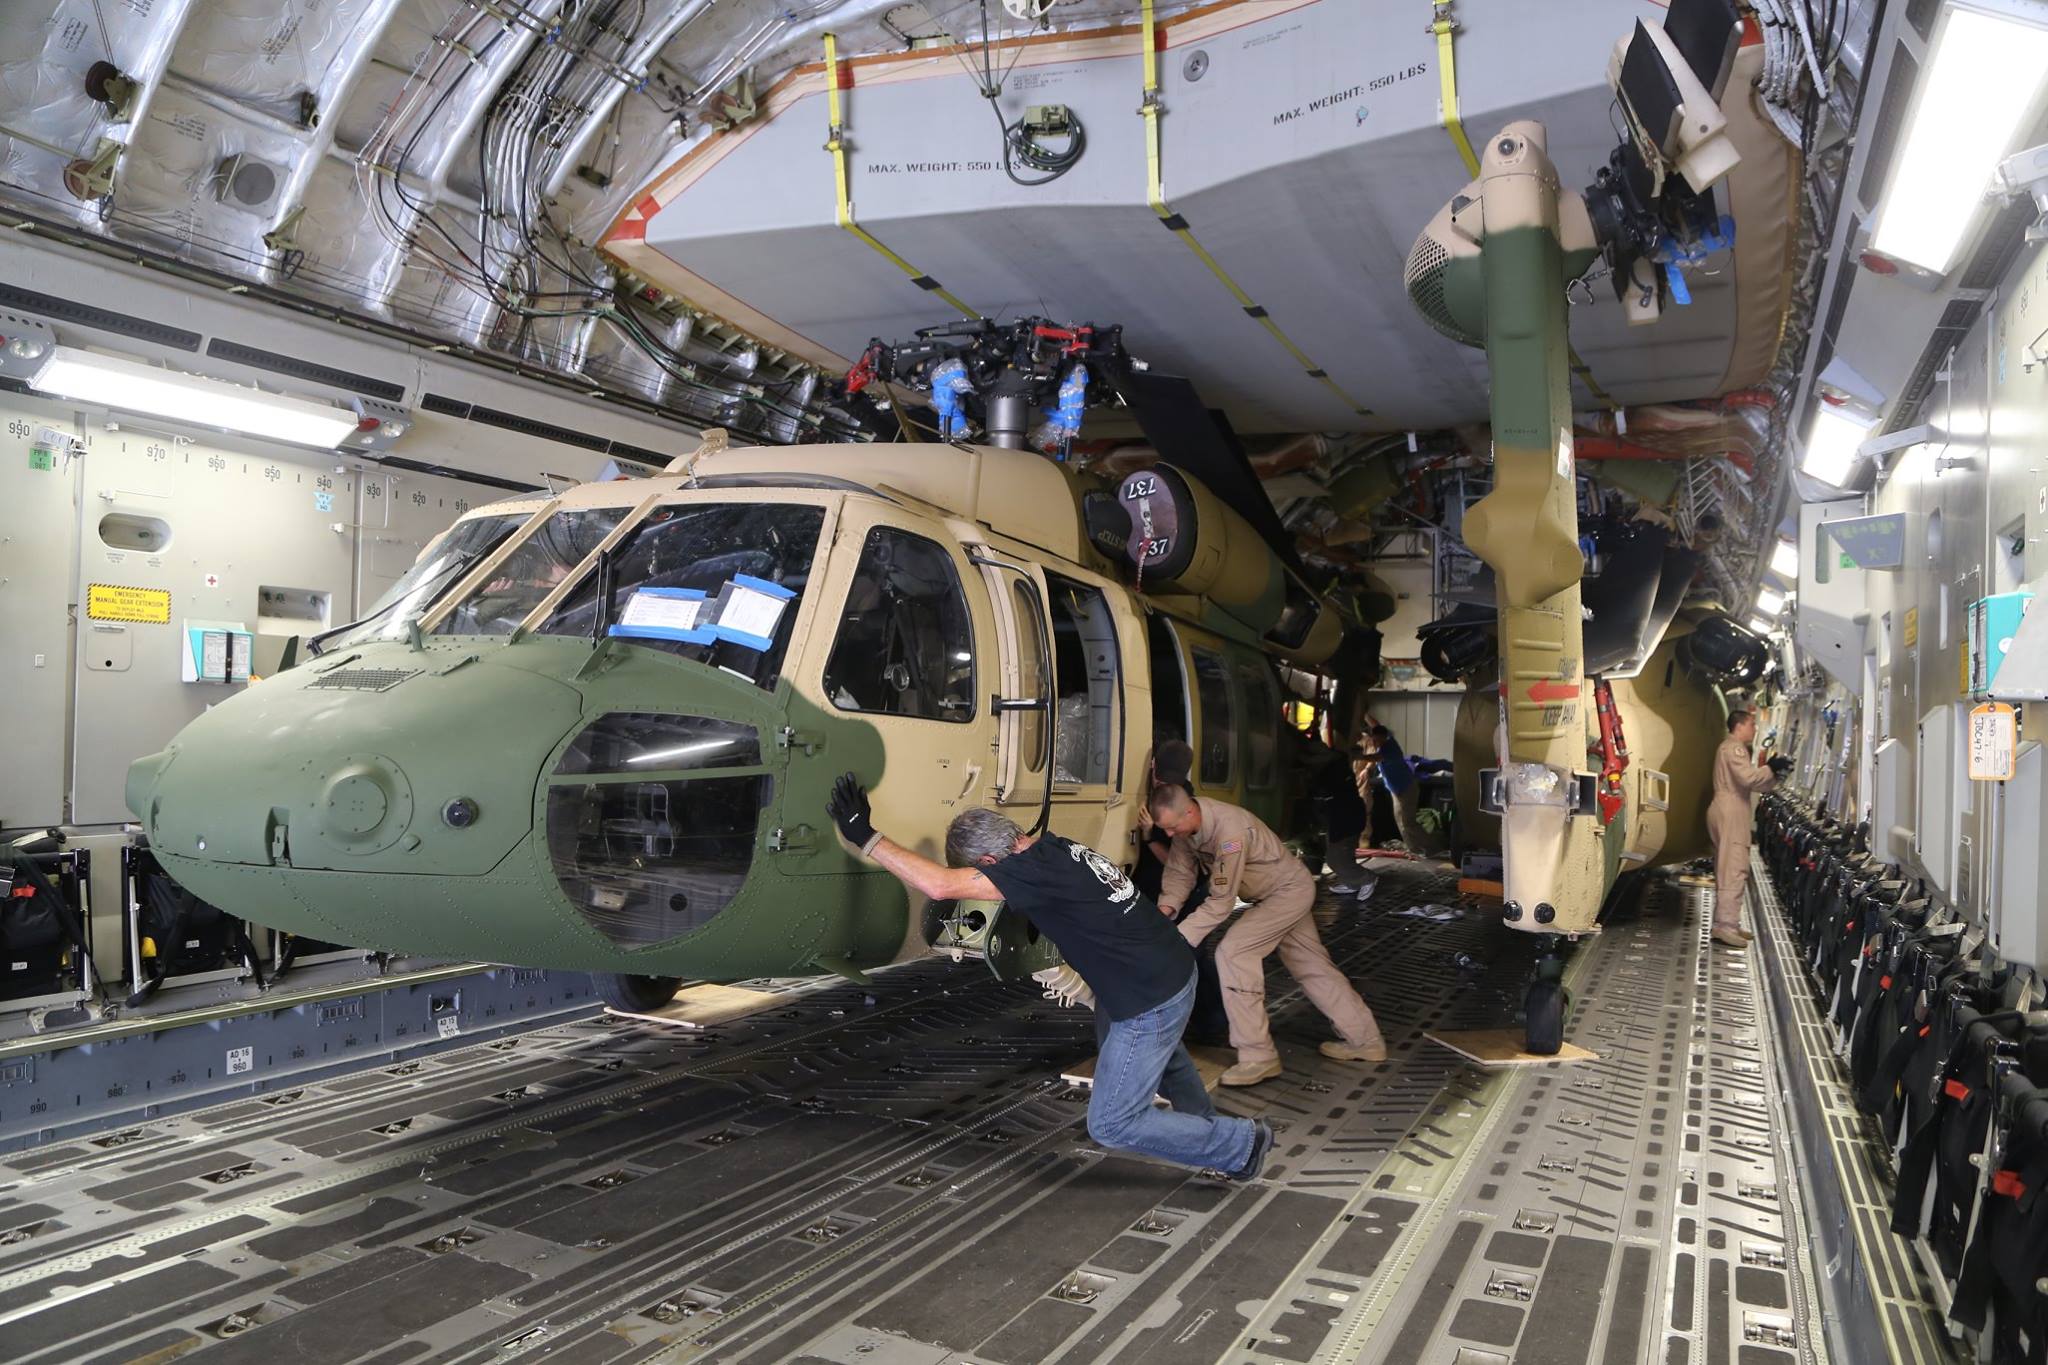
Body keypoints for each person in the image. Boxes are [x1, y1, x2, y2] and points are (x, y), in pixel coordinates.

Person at [825, 773, 1274, 1180]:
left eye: (981, 872)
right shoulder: (1054, 848)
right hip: (1165, 971)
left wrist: (865, 836)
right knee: (1166, 1058)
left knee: (1113, 1122)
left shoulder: (1029, 872)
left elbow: (940, 885)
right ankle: (1212, 1140)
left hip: (1149, 996)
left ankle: (1240, 1143)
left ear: (990, 858)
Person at [1149, 785, 1387, 1086]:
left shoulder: (1229, 830)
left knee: (1234, 953)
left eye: (1172, 827)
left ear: (1189, 811)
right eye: (1164, 829)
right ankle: (1366, 1040)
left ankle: (1258, 1057)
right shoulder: (1187, 828)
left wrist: (1177, 940)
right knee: (1312, 967)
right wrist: (1166, 909)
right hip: (1279, 892)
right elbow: (1180, 871)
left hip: (1286, 893)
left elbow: (1221, 903)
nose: (1169, 834)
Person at [1133, 740, 1232, 1044]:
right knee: (1185, 957)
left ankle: (1212, 1022)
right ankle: (1205, 1021)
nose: (1162, 783)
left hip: (1187, 893)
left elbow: (1178, 867)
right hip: (1163, 893)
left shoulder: (1181, 804)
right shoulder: (1163, 793)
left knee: (1191, 957)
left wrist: (1150, 837)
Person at [1708, 709, 1789, 947]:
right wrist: (1770, 767)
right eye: (1752, 725)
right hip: (1730, 810)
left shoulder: (1733, 748)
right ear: (1740, 725)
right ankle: (1725, 926)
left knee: (1730, 866)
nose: (1754, 729)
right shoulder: (1733, 748)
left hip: (1731, 808)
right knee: (1733, 868)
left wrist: (1775, 774)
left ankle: (1729, 923)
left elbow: (1756, 784)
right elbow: (1748, 778)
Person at [1358, 718, 1442, 856]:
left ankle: (1433, 847)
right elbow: (1377, 726)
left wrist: (1356, 755)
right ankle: (1414, 849)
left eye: (1377, 739)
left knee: (1408, 822)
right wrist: (1365, 715)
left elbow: (1374, 758)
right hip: (1396, 790)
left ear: (1384, 737)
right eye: (1374, 739)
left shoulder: (1390, 747)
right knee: (1400, 821)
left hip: (1407, 789)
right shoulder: (1382, 742)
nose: (1374, 742)